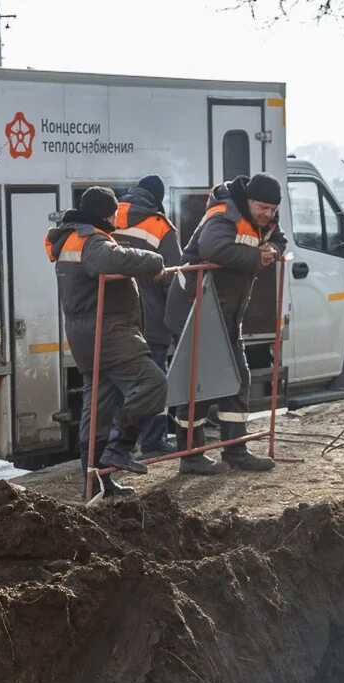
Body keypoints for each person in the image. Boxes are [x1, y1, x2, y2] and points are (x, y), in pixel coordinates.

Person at [46, 185, 170, 496]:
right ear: (107, 213)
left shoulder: (70, 237)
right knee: (154, 383)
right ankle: (120, 447)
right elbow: (112, 260)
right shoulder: (92, 239)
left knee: (97, 408)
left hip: (86, 336)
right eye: (114, 213)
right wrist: (155, 261)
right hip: (109, 332)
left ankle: (96, 483)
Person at [166, 171, 286, 473]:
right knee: (198, 383)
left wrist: (273, 250)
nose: (268, 215)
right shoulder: (223, 214)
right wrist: (256, 258)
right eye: (263, 208)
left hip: (223, 312)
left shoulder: (264, 220)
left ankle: (234, 451)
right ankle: (191, 456)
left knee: (238, 378)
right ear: (249, 200)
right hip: (195, 307)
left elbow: (279, 239)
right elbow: (213, 249)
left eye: (272, 210)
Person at [112, 174, 190, 462]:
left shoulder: (111, 216)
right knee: (156, 381)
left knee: (121, 385)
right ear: (158, 198)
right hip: (151, 318)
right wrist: (179, 321)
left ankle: (118, 446)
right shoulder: (159, 226)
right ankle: (154, 441)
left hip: (118, 318)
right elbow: (173, 277)